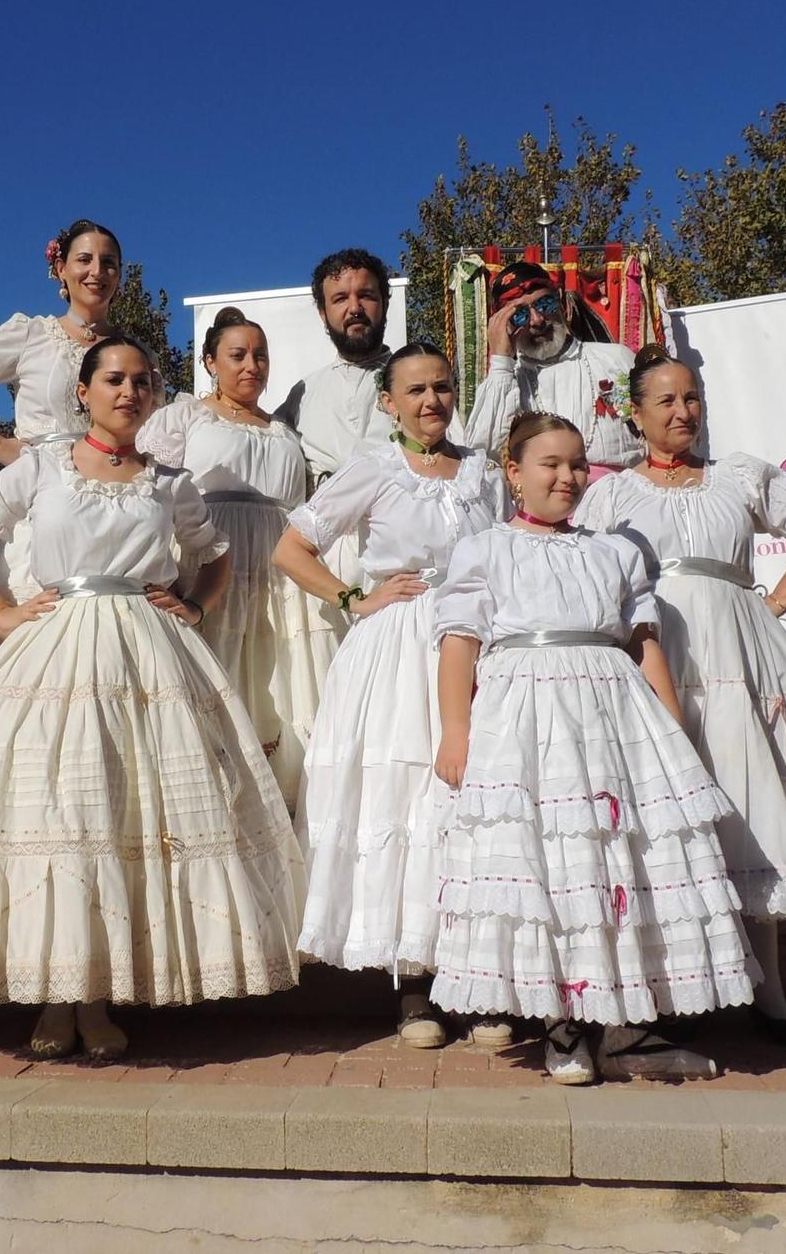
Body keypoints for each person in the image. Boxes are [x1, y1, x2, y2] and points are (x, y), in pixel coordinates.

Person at [0, 336, 303, 1060]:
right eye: (114, 379)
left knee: (128, 815)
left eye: (142, 381)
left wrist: (199, 609)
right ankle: (58, 994)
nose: (129, 391)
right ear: (83, 391)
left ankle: (104, 991)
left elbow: (215, 557)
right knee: (60, 814)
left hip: (148, 655)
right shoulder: (41, 467)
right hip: (55, 650)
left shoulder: (169, 482)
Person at [573, 344, 786, 1042]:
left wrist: (771, 603)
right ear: (635, 414)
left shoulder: (740, 475)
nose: (683, 411)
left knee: (755, 806)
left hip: (740, 658)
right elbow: (586, 572)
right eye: (665, 400)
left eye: (691, 398)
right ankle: (664, 990)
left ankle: (769, 990)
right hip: (655, 655)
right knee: (667, 816)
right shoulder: (612, 493)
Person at [430, 413, 752, 1085]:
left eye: (577, 464)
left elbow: (644, 647)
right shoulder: (484, 550)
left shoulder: (616, 552)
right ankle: (563, 1025)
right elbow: (459, 643)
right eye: (549, 464)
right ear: (513, 473)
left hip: (614, 713)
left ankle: (631, 1029)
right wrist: (455, 733)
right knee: (552, 861)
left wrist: (673, 734)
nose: (567, 477)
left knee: (620, 862)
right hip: (528, 716)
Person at [272, 342, 507, 1048]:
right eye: (415, 390)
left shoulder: (486, 474)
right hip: (398, 648)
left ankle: (481, 978)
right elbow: (290, 547)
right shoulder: (372, 470)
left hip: (476, 645)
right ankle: (415, 989)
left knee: (475, 803)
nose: (431, 400)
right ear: (388, 402)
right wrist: (354, 596)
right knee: (406, 801)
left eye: (441, 387)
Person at [0, 220, 152, 676]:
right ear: (60, 269)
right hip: (41, 501)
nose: (96, 271)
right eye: (84, 260)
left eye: (109, 263)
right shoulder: (33, 335)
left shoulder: (134, 354)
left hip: (114, 505)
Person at [139, 308, 339, 813]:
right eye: (237, 355)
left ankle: (289, 810)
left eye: (260, 355)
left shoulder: (286, 431)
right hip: (215, 559)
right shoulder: (184, 417)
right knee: (220, 670)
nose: (252, 365)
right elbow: (148, 493)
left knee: (286, 676)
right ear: (209, 361)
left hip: (279, 569)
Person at [274, 250, 397, 592]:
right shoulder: (303, 392)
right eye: (340, 298)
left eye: (366, 296)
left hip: (395, 556)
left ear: (384, 302)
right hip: (323, 563)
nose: (354, 308)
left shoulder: (418, 382)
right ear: (323, 312)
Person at [460, 262, 639, 479]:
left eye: (545, 304)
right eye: (520, 315)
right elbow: (483, 455)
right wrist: (500, 362)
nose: (537, 320)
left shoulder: (615, 359)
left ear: (561, 301)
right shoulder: (507, 382)